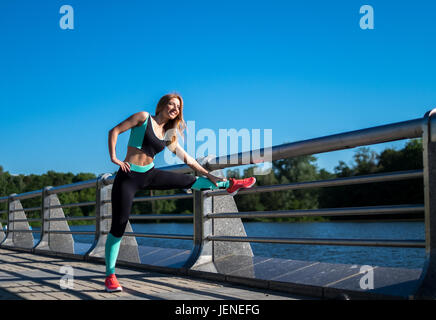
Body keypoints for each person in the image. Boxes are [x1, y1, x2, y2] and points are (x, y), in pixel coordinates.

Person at [105, 93, 256, 292]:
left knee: (191, 181)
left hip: (149, 174)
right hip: (128, 176)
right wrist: (115, 158)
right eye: (171, 104)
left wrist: (209, 175)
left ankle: (229, 184)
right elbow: (114, 131)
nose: (174, 109)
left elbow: (188, 160)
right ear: (162, 105)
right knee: (119, 226)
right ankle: (110, 276)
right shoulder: (143, 117)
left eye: (178, 107)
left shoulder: (168, 134)